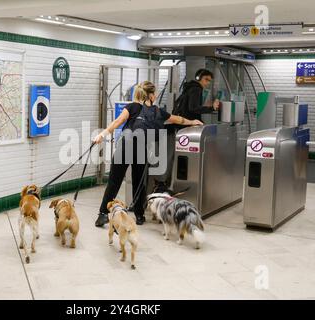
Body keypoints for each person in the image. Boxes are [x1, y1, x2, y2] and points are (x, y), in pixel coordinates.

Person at [92, 81, 203, 227]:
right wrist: (192, 122)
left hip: (125, 147)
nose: (156, 95)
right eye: (155, 93)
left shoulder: (132, 107)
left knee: (114, 182)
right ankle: (139, 215)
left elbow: (119, 121)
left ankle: (102, 214)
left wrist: (102, 134)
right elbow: (178, 119)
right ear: (150, 95)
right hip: (141, 149)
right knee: (139, 183)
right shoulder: (158, 112)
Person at [153, 69, 220, 192]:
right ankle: (173, 184)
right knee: (178, 156)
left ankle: (167, 183)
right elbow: (193, 108)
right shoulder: (196, 89)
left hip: (178, 127)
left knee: (174, 156)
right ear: (199, 78)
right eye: (206, 79)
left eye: (209, 81)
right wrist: (211, 108)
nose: (207, 83)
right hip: (184, 128)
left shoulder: (188, 88)